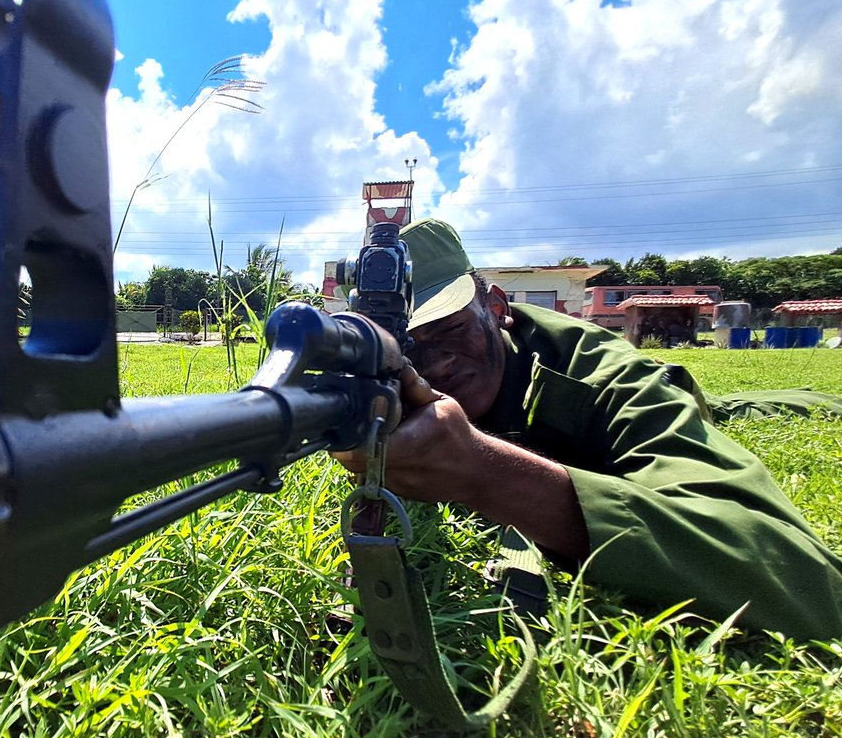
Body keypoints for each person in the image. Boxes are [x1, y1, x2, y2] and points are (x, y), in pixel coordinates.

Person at [335, 218, 842, 641]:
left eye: (449, 329)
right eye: (407, 347)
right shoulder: (383, 377)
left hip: (648, 399)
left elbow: (810, 587)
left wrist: (483, 473)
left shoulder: (607, 376)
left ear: (494, 307)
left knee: (748, 407)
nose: (436, 362)